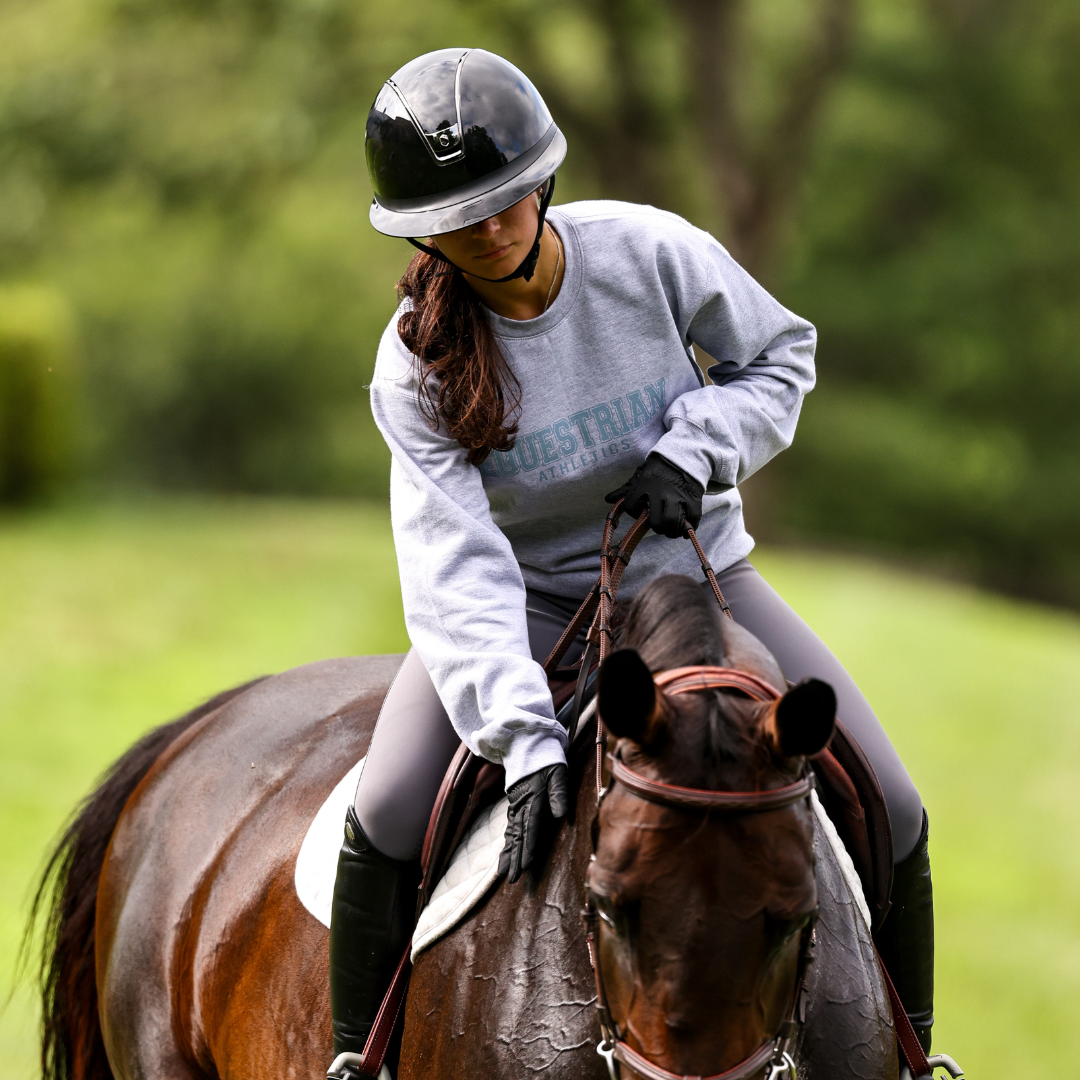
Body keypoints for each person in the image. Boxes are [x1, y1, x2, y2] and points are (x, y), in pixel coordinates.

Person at [327, 47, 936, 1079]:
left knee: (897, 799)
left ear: (544, 181)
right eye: (461, 215)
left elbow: (782, 356)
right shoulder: (414, 361)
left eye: (509, 198)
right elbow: (453, 564)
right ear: (419, 231)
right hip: (515, 607)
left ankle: (919, 1053)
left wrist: (694, 448)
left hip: (697, 579)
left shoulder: (649, 252)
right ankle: (359, 1060)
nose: (491, 226)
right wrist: (523, 740)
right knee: (385, 807)